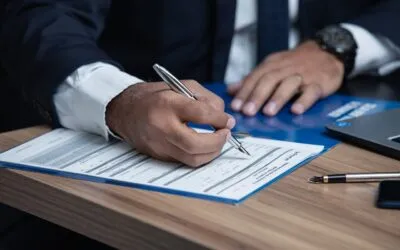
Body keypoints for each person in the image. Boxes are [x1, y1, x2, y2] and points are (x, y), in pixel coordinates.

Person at [1, 0, 400, 168]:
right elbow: (40, 16)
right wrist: (118, 99)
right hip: (147, 134)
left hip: (336, 111)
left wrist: (342, 46)